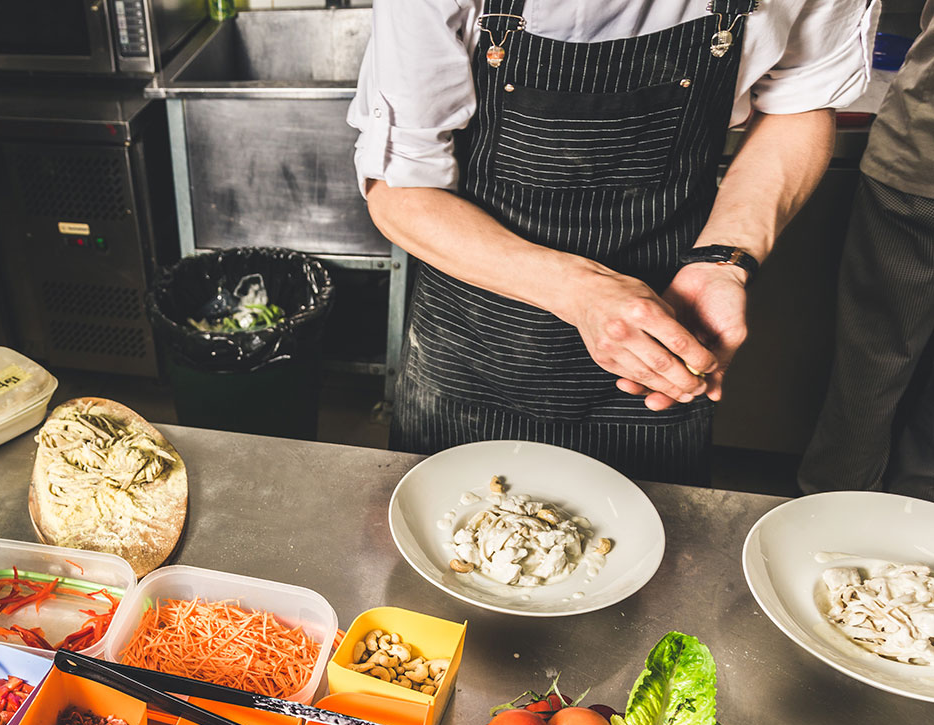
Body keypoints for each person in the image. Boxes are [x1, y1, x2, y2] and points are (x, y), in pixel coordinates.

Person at [349, 0, 876, 484]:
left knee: (652, 566)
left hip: (667, 335)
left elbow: (799, 103)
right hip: (474, 342)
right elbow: (401, 189)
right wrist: (580, 292)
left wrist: (723, 260)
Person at [799, 3, 934, 499]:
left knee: (872, 364)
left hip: (918, 160)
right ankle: (918, 526)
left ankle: (833, 512)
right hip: (917, 163)